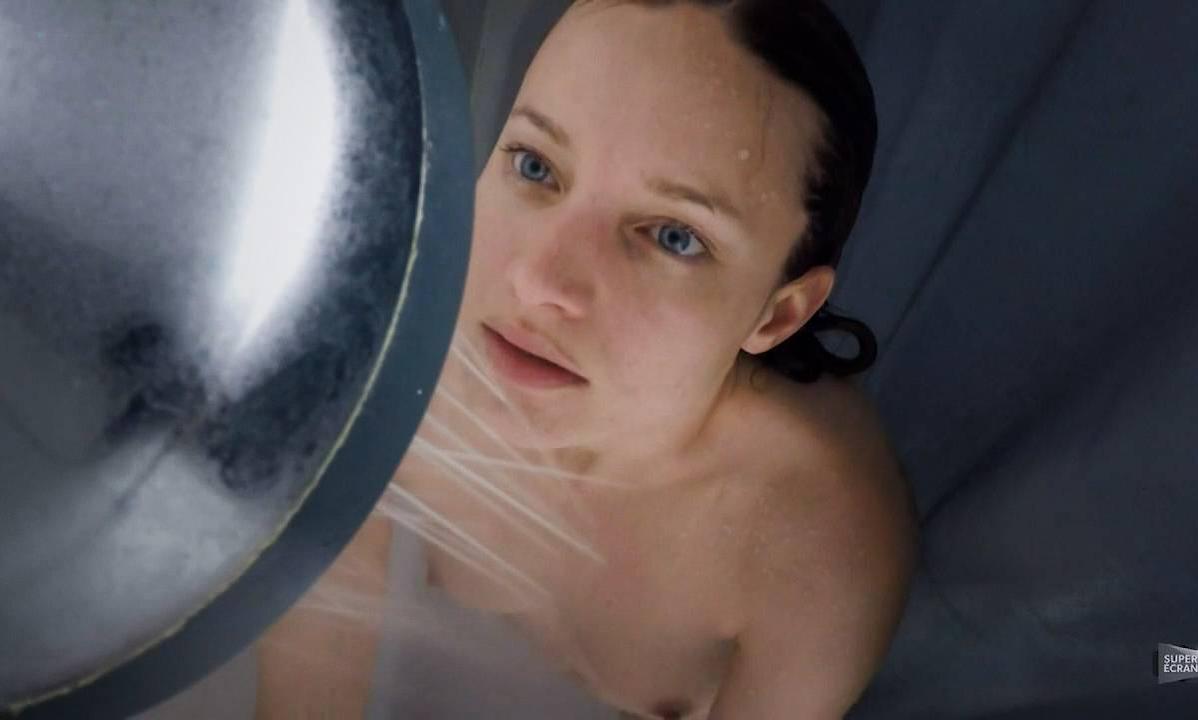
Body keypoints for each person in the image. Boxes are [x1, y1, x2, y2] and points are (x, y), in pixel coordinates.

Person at [257, 1, 918, 718]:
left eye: (673, 237)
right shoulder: (381, 358)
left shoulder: (811, 547)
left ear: (778, 314)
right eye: (535, 166)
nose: (538, 281)